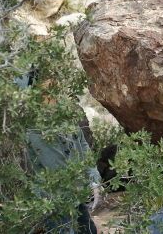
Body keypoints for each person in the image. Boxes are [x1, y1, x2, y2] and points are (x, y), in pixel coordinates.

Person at [15, 71, 102, 233]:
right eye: (47, 83)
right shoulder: (36, 128)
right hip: (56, 203)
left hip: (74, 197)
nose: (53, 84)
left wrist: (94, 179)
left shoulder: (62, 114)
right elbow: (58, 170)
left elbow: (82, 144)